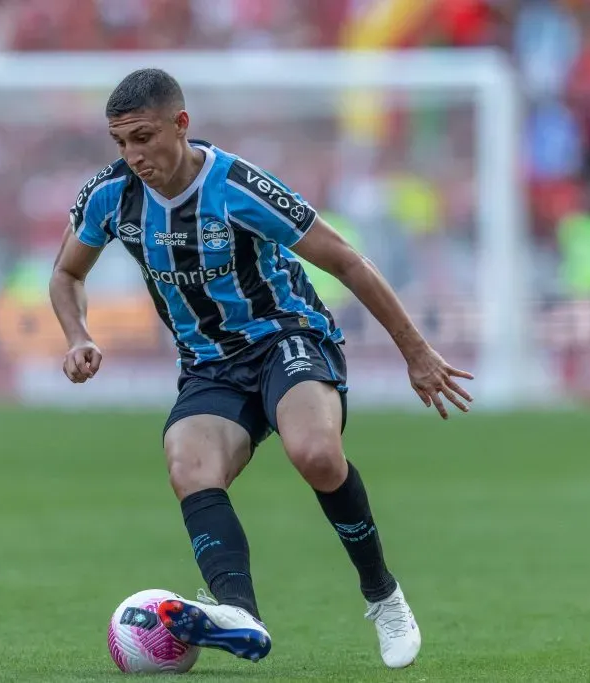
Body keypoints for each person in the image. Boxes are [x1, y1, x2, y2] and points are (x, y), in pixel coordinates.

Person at [49, 68, 472, 669]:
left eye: (143, 137)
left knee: (317, 454)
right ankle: (239, 614)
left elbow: (347, 261)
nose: (133, 155)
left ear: (181, 124)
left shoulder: (239, 186)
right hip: (208, 366)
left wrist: (416, 352)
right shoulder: (109, 195)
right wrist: (77, 335)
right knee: (187, 464)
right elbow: (67, 274)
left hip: (286, 337)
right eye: (120, 142)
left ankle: (382, 592)